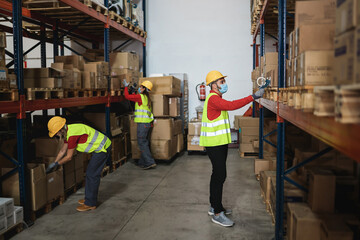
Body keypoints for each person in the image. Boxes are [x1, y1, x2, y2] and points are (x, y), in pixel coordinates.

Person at [199, 70, 265, 227]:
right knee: (219, 175)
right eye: (221, 82)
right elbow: (232, 105)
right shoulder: (214, 99)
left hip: (219, 143)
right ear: (213, 85)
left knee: (218, 175)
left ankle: (215, 206)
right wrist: (254, 97)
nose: (224, 84)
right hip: (214, 144)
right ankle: (217, 213)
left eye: (223, 81)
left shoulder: (216, 97)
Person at [47, 117, 112, 212]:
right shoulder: (68, 131)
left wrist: (57, 164)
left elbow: (69, 156)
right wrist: (54, 163)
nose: (56, 134)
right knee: (90, 173)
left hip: (102, 148)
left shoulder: (72, 135)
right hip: (99, 147)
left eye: (57, 132)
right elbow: (62, 151)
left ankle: (91, 203)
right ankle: (88, 198)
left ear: (61, 128)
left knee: (92, 174)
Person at [123, 80, 157, 170]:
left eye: (141, 87)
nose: (139, 88)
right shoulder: (147, 98)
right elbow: (136, 98)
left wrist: (126, 87)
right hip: (148, 124)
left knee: (142, 143)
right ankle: (143, 162)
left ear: (144, 89)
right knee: (145, 142)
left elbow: (127, 96)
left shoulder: (140, 97)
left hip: (143, 124)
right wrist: (133, 90)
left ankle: (150, 162)